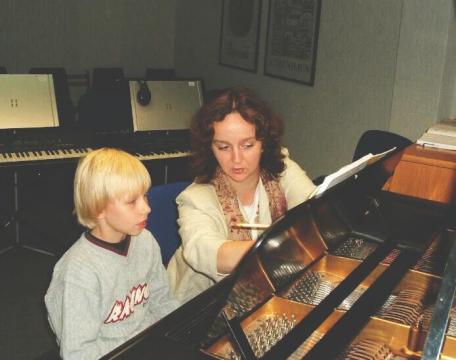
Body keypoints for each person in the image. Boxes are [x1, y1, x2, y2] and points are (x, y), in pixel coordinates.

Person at [167, 86, 316, 303]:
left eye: (247, 145)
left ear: (263, 143)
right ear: (210, 147)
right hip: (203, 305)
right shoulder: (195, 199)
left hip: (267, 292)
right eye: (223, 147)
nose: (237, 159)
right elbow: (208, 251)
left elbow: (314, 206)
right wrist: (281, 247)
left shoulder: (283, 170)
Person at [45, 148, 179, 359]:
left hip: (149, 345)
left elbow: (163, 301)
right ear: (99, 209)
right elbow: (78, 354)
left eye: (144, 196)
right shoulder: (78, 272)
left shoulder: (145, 241)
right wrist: (139, 344)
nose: (147, 208)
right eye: (132, 201)